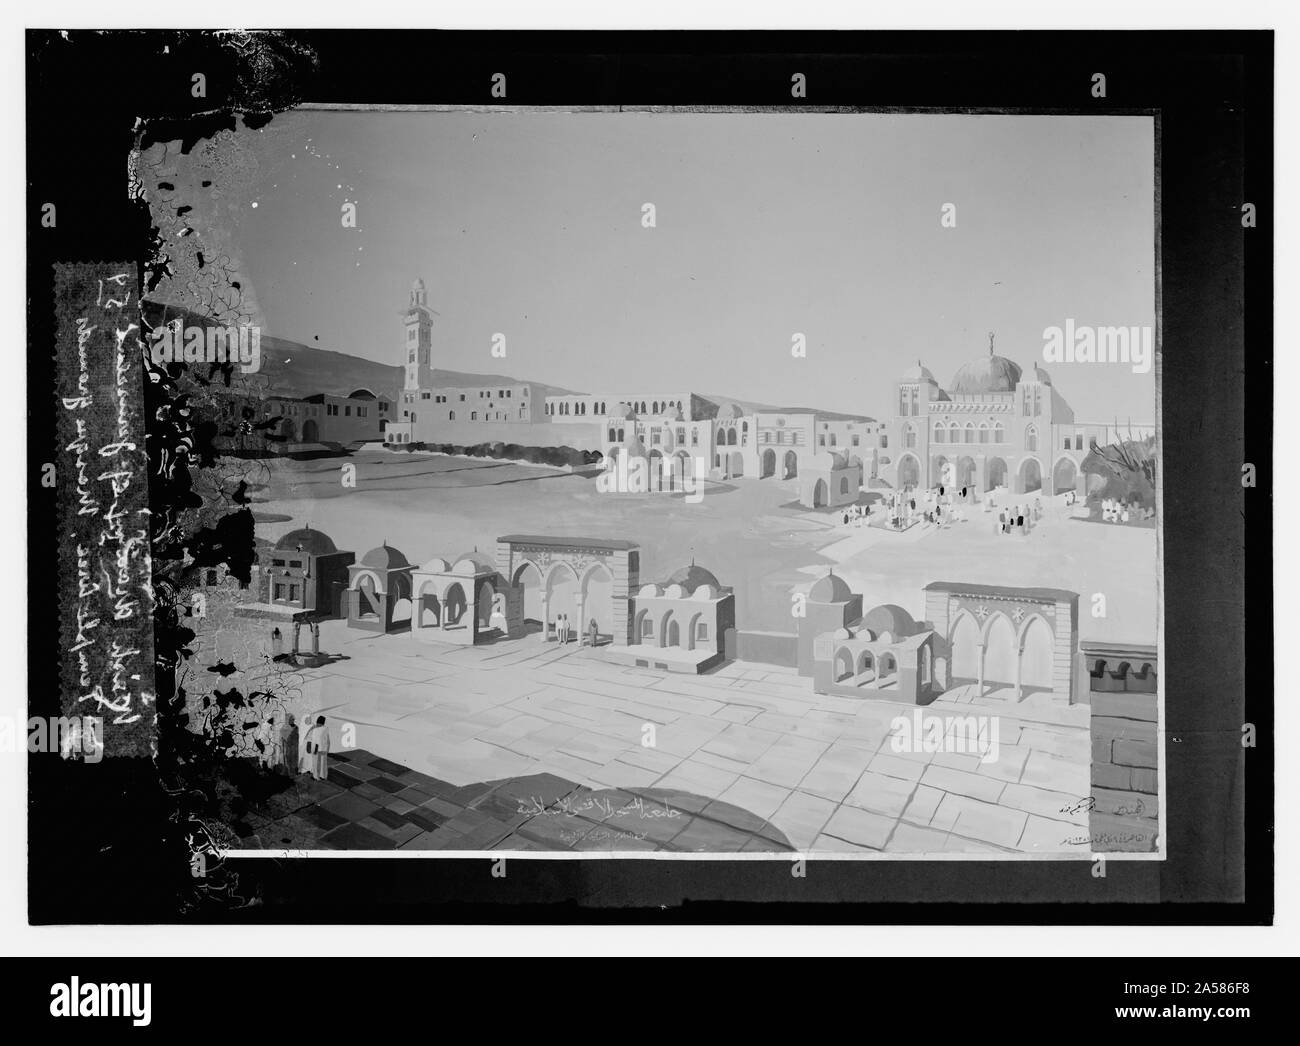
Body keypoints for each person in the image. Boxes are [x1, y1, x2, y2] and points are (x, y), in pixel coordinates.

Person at [304, 715, 330, 781]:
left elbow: (308, 738)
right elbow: (328, 740)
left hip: (316, 747)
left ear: (317, 721)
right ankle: (323, 776)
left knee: (316, 763)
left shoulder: (314, 728)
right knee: (323, 763)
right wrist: (327, 749)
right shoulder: (326, 728)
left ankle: (316, 777)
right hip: (324, 748)